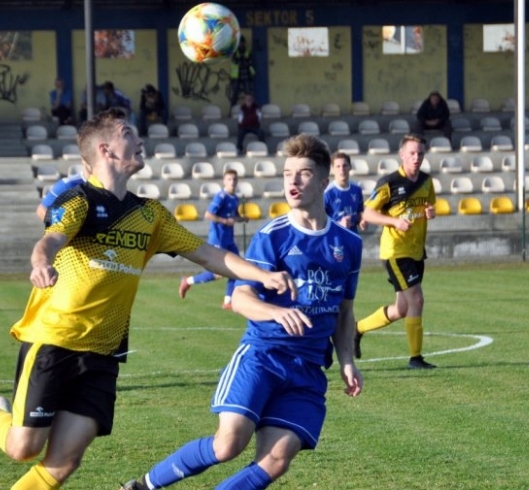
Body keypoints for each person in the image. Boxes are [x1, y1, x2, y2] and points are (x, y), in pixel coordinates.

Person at [0, 108, 296, 490]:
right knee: (23, 448)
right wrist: (41, 262)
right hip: (55, 340)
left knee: (64, 462)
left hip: (104, 353)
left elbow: (209, 254)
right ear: (107, 150)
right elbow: (51, 240)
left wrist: (263, 274)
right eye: (129, 132)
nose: (140, 139)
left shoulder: (150, 215)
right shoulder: (79, 202)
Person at [121, 133, 363, 490]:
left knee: (276, 458)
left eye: (304, 173)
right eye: (286, 173)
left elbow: (344, 312)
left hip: (308, 368)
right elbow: (241, 299)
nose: (293, 181)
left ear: (325, 182)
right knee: (228, 443)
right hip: (263, 356)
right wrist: (276, 313)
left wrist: (346, 360)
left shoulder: (349, 244)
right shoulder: (273, 236)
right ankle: (142, 486)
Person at [354, 134, 437, 370]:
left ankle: (357, 329)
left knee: (401, 309)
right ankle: (415, 358)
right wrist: (393, 222)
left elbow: (428, 207)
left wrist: (430, 212)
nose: (416, 157)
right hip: (395, 251)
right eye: (412, 153)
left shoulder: (427, 182)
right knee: (417, 299)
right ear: (402, 155)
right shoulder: (389, 182)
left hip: (416, 251)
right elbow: (367, 213)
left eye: (420, 153)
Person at [178, 168, 249, 309]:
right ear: (224, 181)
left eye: (234, 179)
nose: (232, 182)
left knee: (237, 268)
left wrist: (242, 218)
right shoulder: (220, 197)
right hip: (218, 239)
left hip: (229, 239)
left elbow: (233, 216)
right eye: (229, 179)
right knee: (217, 274)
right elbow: (208, 215)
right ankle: (188, 281)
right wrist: (224, 221)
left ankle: (228, 301)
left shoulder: (234, 198)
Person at [324, 151, 366, 231]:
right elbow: (319, 222)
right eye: (338, 166)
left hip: (352, 238)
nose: (342, 169)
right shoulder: (327, 193)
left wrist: (362, 222)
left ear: (350, 167)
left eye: (345, 166)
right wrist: (339, 224)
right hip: (335, 240)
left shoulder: (357, 189)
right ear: (332, 169)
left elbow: (360, 213)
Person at [229, 35, 255, 107]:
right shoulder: (235, 52)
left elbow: (249, 62)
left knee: (248, 94)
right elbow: (235, 62)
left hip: (246, 76)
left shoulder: (247, 52)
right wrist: (244, 62)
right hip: (237, 76)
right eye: (240, 43)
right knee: (235, 94)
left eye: (242, 43)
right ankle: (232, 110)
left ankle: (250, 109)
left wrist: (242, 62)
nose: (241, 44)